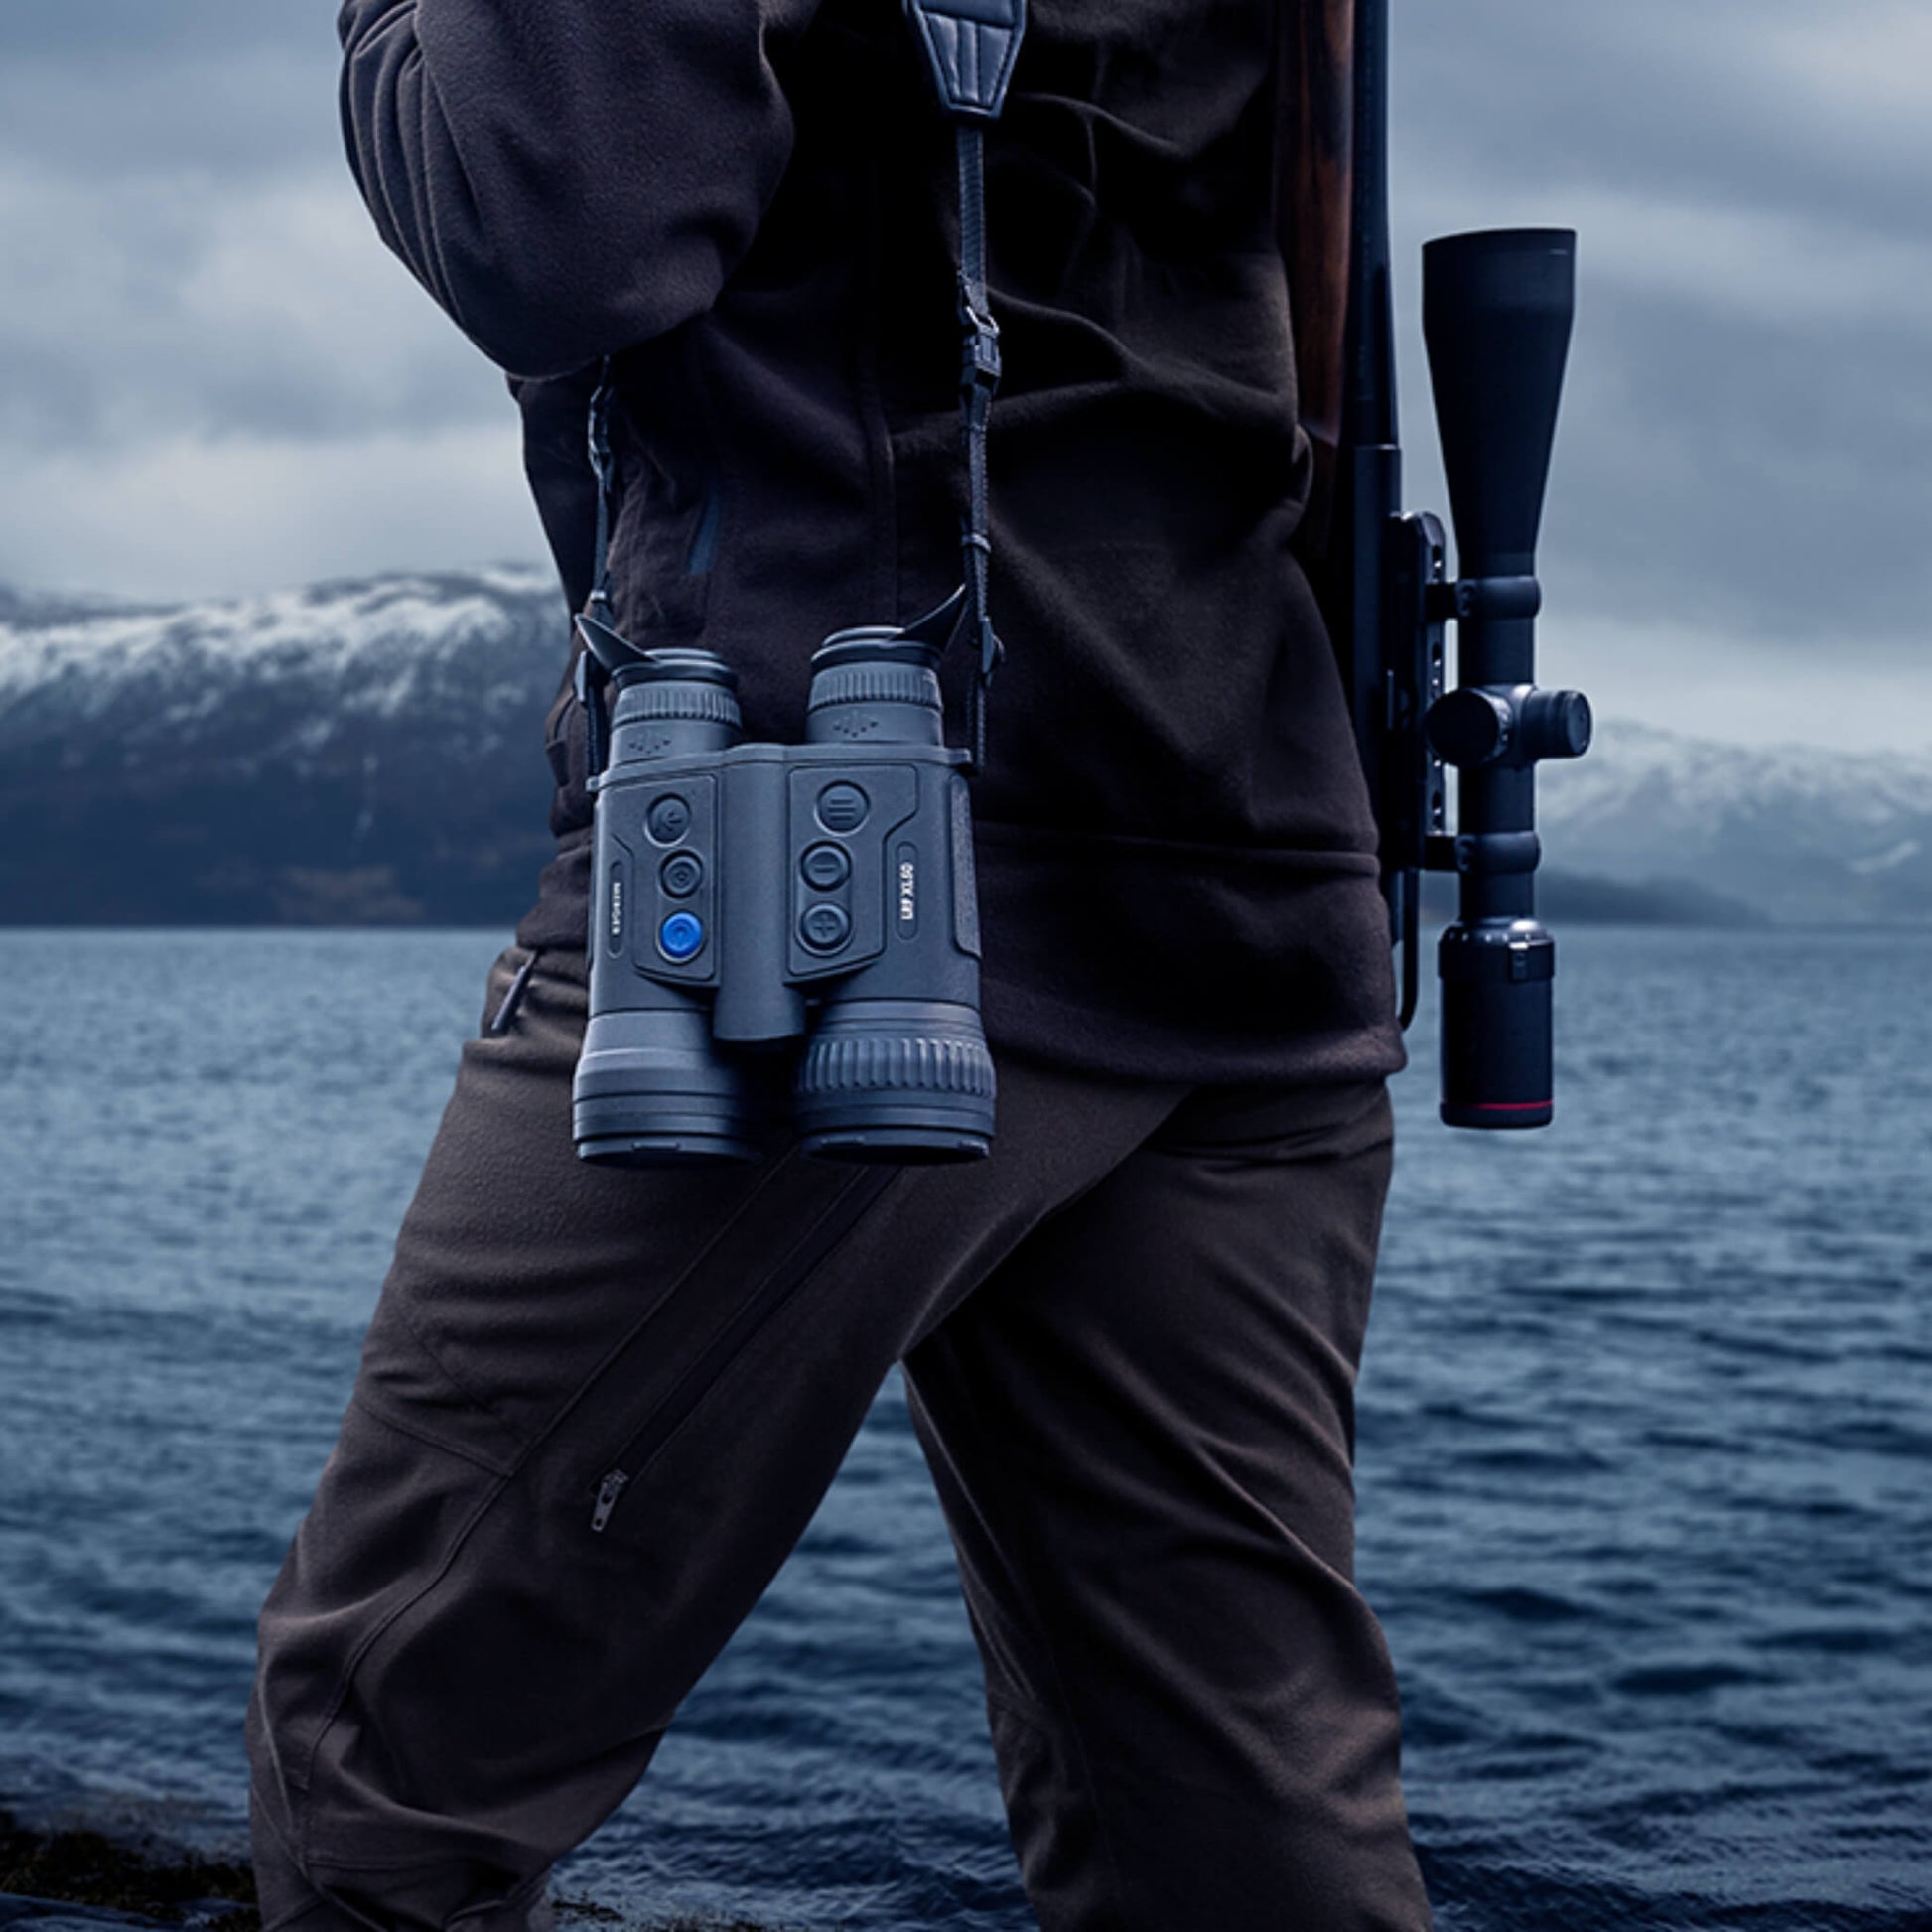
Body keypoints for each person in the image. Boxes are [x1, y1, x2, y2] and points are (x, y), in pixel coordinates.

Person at [244, 2, 1436, 1927]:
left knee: (381, 1762)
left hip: (812, 862)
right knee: (1234, 1846)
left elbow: (558, 207)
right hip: (1246, 850)